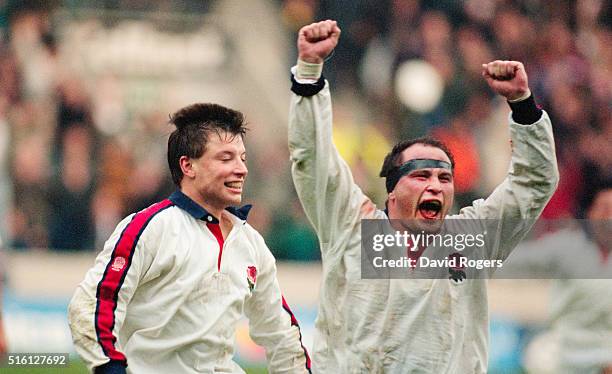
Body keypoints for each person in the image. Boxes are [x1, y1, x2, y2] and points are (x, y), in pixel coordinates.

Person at [288, 20, 558, 373]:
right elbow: (312, 158)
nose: (436, 185)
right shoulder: (351, 226)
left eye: (445, 177)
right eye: (421, 175)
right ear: (392, 191)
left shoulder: (473, 240)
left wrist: (523, 108)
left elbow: (534, 184)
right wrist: (309, 72)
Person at [68, 103, 311, 373]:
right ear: (188, 166)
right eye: (226, 158)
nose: (241, 169)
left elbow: (282, 334)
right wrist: (110, 368)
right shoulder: (150, 228)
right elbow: (91, 305)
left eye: (243, 158)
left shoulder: (251, 243)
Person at [503, 181, 612, 374]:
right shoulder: (566, 247)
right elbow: (516, 260)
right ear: (589, 214)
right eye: (604, 210)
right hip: (566, 354)